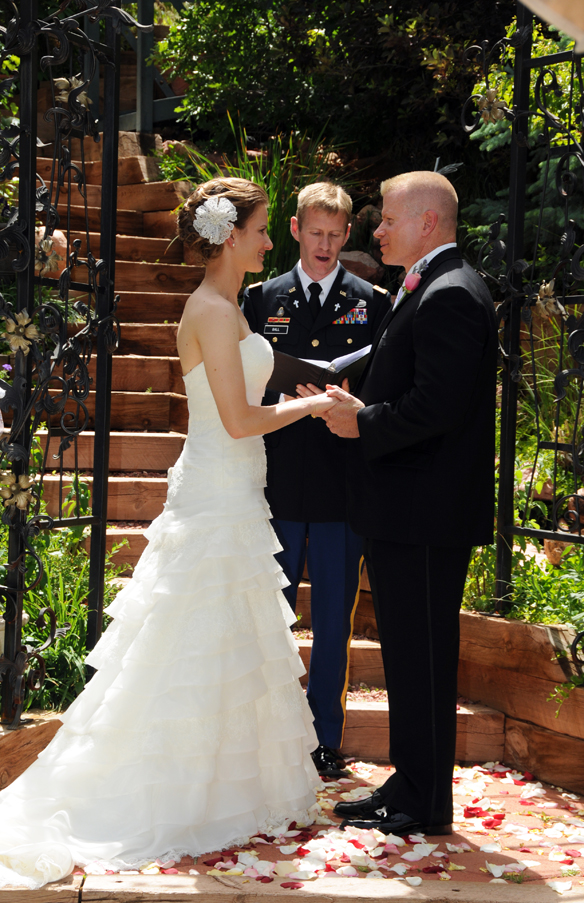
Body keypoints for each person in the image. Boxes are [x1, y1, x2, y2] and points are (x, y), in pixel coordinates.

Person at [0, 177, 338, 889]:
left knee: (226, 646)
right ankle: (173, 795)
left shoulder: (231, 305)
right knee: (188, 645)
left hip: (236, 488)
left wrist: (297, 393)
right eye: (262, 229)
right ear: (231, 235)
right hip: (217, 491)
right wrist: (305, 411)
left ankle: (226, 793)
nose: (271, 241)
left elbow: (244, 407)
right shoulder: (211, 311)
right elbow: (241, 420)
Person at [298, 171, 497, 834]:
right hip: (409, 512)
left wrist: (366, 421)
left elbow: (438, 405)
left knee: (426, 658)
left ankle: (424, 801)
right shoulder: (430, 285)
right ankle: (409, 781)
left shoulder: (451, 294)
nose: (376, 230)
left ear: (427, 223)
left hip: (425, 515)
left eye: (386, 219)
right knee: (410, 656)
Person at [243, 183, 390, 777]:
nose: (325, 246)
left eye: (336, 235)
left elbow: (384, 385)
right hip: (275, 485)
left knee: (333, 623)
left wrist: (350, 397)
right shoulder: (260, 298)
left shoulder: (373, 302)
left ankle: (324, 740)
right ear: (297, 229)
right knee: (268, 620)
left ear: (347, 234)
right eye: (316, 233)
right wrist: (283, 391)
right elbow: (242, 385)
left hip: (340, 488)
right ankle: (269, 737)